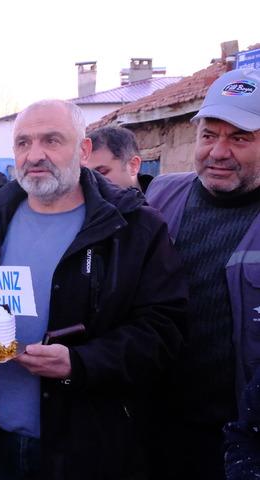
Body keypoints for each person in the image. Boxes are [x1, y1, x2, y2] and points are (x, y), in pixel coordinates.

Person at [0, 99, 186, 479]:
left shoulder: (133, 227)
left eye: (51, 140)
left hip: (88, 448)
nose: (35, 155)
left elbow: (165, 329)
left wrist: (79, 364)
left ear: (83, 150)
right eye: (23, 143)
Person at [145, 67, 260, 479]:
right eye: (209, 135)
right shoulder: (161, 195)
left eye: (240, 137)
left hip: (238, 442)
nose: (218, 151)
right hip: (152, 426)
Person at [86, 126, 153, 192]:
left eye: (101, 173)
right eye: (86, 176)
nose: (92, 184)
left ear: (133, 166)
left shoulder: (161, 198)